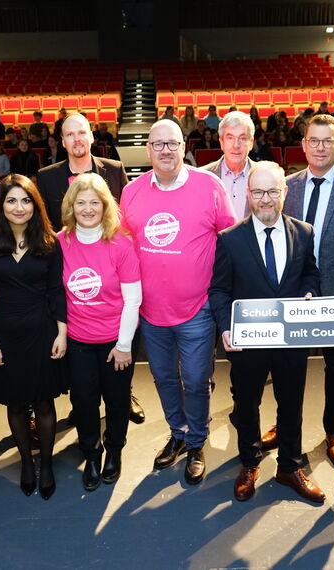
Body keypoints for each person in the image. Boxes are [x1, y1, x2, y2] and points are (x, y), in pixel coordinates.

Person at [120, 120, 237, 484]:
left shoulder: (210, 186)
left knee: (198, 379)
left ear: (184, 146)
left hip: (197, 310)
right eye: (158, 144)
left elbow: (231, 241)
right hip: (151, 312)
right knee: (164, 377)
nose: (166, 150)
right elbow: (123, 248)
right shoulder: (132, 192)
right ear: (148, 149)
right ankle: (179, 433)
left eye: (172, 143)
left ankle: (197, 441)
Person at [262, 114, 334, 467]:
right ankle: (284, 425)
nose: (320, 147)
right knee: (286, 367)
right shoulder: (287, 185)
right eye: (314, 140)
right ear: (304, 144)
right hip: (294, 294)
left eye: (328, 141)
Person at [208, 161, 324, 503]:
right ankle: (249, 461)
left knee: (292, 403)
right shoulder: (230, 240)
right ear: (248, 194)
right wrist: (225, 326)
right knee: (247, 404)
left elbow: (311, 275)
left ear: (284, 193)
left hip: (291, 340)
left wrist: (310, 293)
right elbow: (218, 290)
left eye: (273, 191)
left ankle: (290, 465)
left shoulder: (304, 232)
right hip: (247, 344)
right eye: (258, 192)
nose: (266, 199)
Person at [37, 113, 144, 422]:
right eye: (70, 134)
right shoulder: (47, 176)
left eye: (82, 132)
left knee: (117, 352)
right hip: (70, 260)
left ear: (92, 137)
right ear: (62, 141)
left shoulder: (114, 169)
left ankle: (124, 394)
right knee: (82, 370)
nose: (77, 139)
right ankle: (83, 402)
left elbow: (120, 219)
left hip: (107, 259)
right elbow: (47, 226)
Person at [0, 174, 67, 500]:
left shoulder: (50, 243)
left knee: (43, 401)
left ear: (35, 204)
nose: (19, 206)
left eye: (26, 200)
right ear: (2, 206)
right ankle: (26, 462)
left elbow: (57, 292)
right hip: (4, 334)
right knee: (14, 402)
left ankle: (47, 463)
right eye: (11, 200)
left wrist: (62, 332)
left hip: (42, 331)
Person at [58, 173, 142, 491]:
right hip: (78, 341)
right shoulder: (61, 242)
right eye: (81, 202)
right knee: (84, 402)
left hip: (114, 341)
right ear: (71, 205)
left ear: (106, 205)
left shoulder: (121, 244)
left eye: (95, 202)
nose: (88, 208)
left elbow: (133, 299)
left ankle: (115, 452)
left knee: (118, 401)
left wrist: (123, 345)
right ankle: (92, 454)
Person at [201, 111, 257, 217]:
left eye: (242, 138)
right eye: (230, 138)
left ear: (251, 143)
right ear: (221, 142)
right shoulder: (203, 176)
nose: (236, 145)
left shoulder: (263, 176)